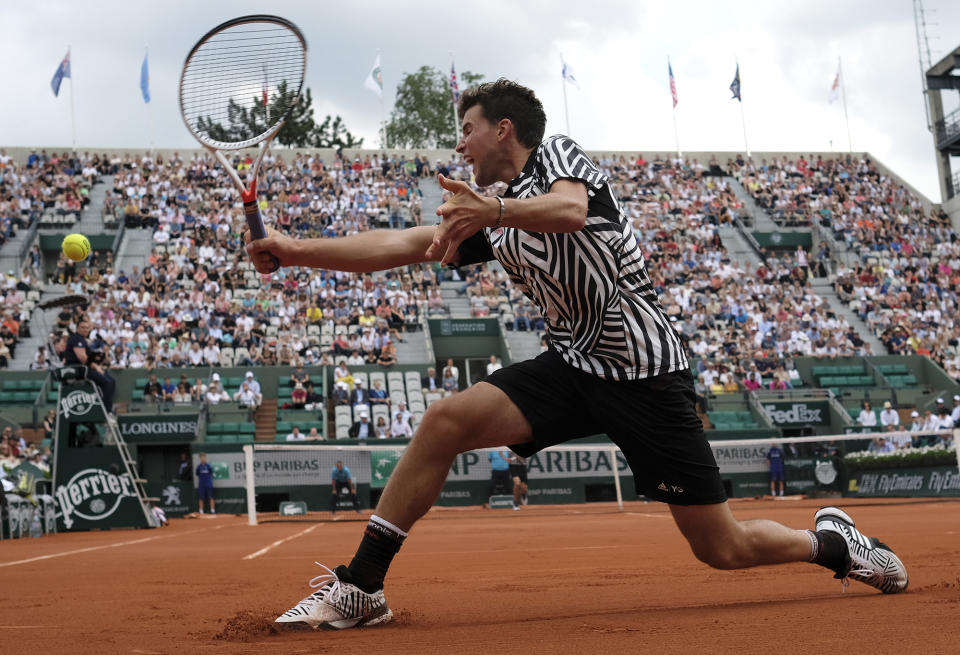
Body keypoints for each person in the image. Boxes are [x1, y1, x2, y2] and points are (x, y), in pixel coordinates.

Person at [249, 79, 907, 630]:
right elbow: (402, 244)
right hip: (573, 365)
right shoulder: (489, 217)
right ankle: (362, 587)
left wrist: (496, 210)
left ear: (504, 130)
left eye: (467, 128)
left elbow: (567, 211)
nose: (459, 142)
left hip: (646, 373)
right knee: (444, 421)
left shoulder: (558, 157)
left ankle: (832, 543)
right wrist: (295, 249)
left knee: (721, 546)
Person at [64, 319, 117, 415]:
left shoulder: (83, 340)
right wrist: (96, 367)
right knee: (107, 382)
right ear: (77, 329)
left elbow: (91, 358)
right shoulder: (76, 339)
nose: (85, 330)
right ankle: (106, 411)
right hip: (78, 370)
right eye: (82, 327)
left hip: (85, 368)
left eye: (87, 328)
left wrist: (100, 361)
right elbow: (83, 359)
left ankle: (107, 406)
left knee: (111, 380)